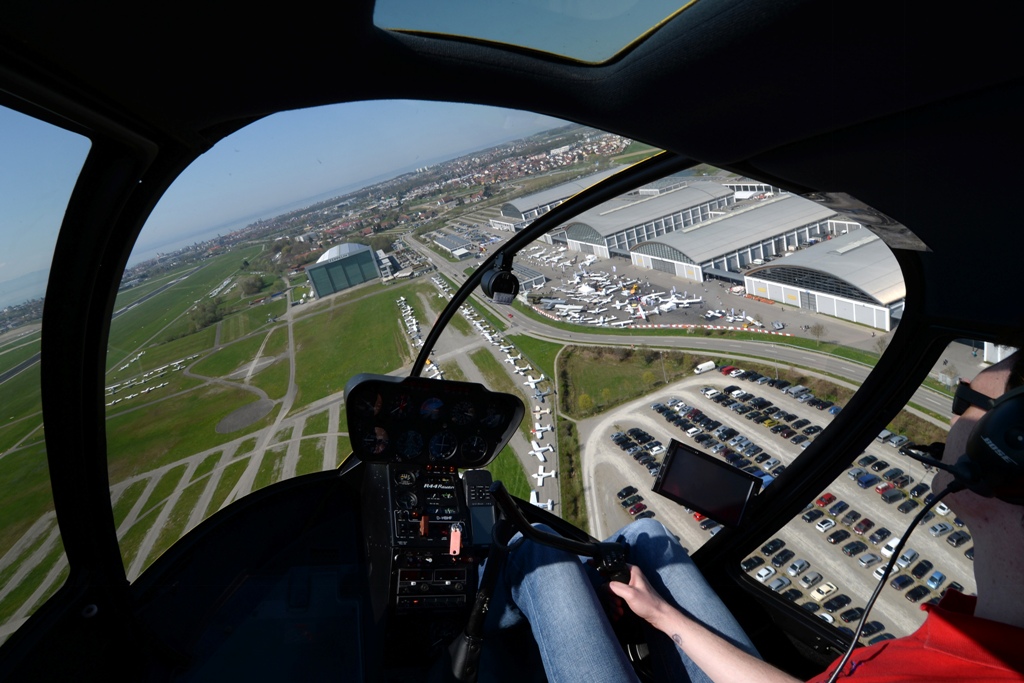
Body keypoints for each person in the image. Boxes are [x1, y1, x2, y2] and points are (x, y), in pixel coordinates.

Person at [487, 352, 1024, 682]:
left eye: (971, 399)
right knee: (648, 536)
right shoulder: (985, 634)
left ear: (1007, 449)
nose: (952, 420)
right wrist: (665, 618)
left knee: (541, 552)